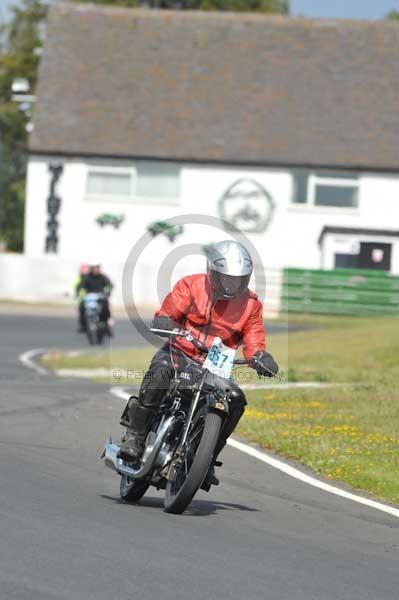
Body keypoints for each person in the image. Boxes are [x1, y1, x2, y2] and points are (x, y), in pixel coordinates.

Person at [119, 240, 279, 486]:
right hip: (180, 352)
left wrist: (260, 357)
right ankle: (135, 436)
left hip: (216, 367)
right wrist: (165, 321)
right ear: (212, 272)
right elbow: (168, 311)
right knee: (161, 373)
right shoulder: (191, 285)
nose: (231, 285)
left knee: (235, 399)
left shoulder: (251, 304)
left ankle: (206, 458)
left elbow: (254, 336)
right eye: (226, 278)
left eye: (237, 280)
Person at [81, 264, 114, 329]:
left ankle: (106, 321)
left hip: (100, 296)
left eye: (97, 268)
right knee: (81, 307)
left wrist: (107, 293)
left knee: (105, 305)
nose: (96, 270)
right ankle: (84, 324)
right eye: (94, 268)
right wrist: (82, 295)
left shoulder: (103, 277)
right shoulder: (87, 277)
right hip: (89, 297)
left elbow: (110, 285)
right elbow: (81, 287)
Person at [75, 263, 90, 333]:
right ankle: (83, 326)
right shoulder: (80, 278)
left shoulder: (91, 278)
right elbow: (76, 287)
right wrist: (77, 295)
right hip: (82, 298)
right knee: (81, 312)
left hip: (91, 297)